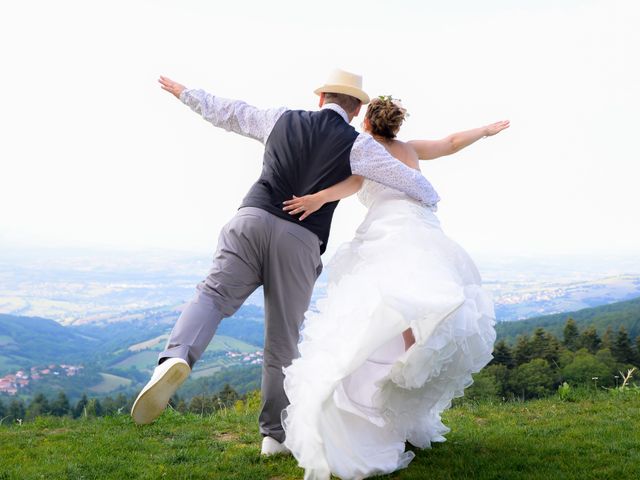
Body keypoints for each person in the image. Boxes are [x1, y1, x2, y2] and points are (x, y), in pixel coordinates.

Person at [130, 70, 442, 456]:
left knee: (211, 296)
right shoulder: (359, 146)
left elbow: (229, 112)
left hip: (251, 220)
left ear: (321, 98)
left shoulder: (281, 118)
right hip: (300, 241)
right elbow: (422, 189)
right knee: (282, 338)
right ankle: (273, 436)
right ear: (357, 107)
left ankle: (175, 357)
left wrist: (185, 92)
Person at [280, 96, 508, 479]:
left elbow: (349, 187)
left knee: (382, 302)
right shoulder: (409, 148)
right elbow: (451, 142)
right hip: (421, 229)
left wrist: (315, 198)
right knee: (419, 295)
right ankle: (410, 354)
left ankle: (389, 372)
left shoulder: (366, 152)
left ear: (367, 123)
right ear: (396, 125)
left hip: (388, 230)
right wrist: (484, 131)